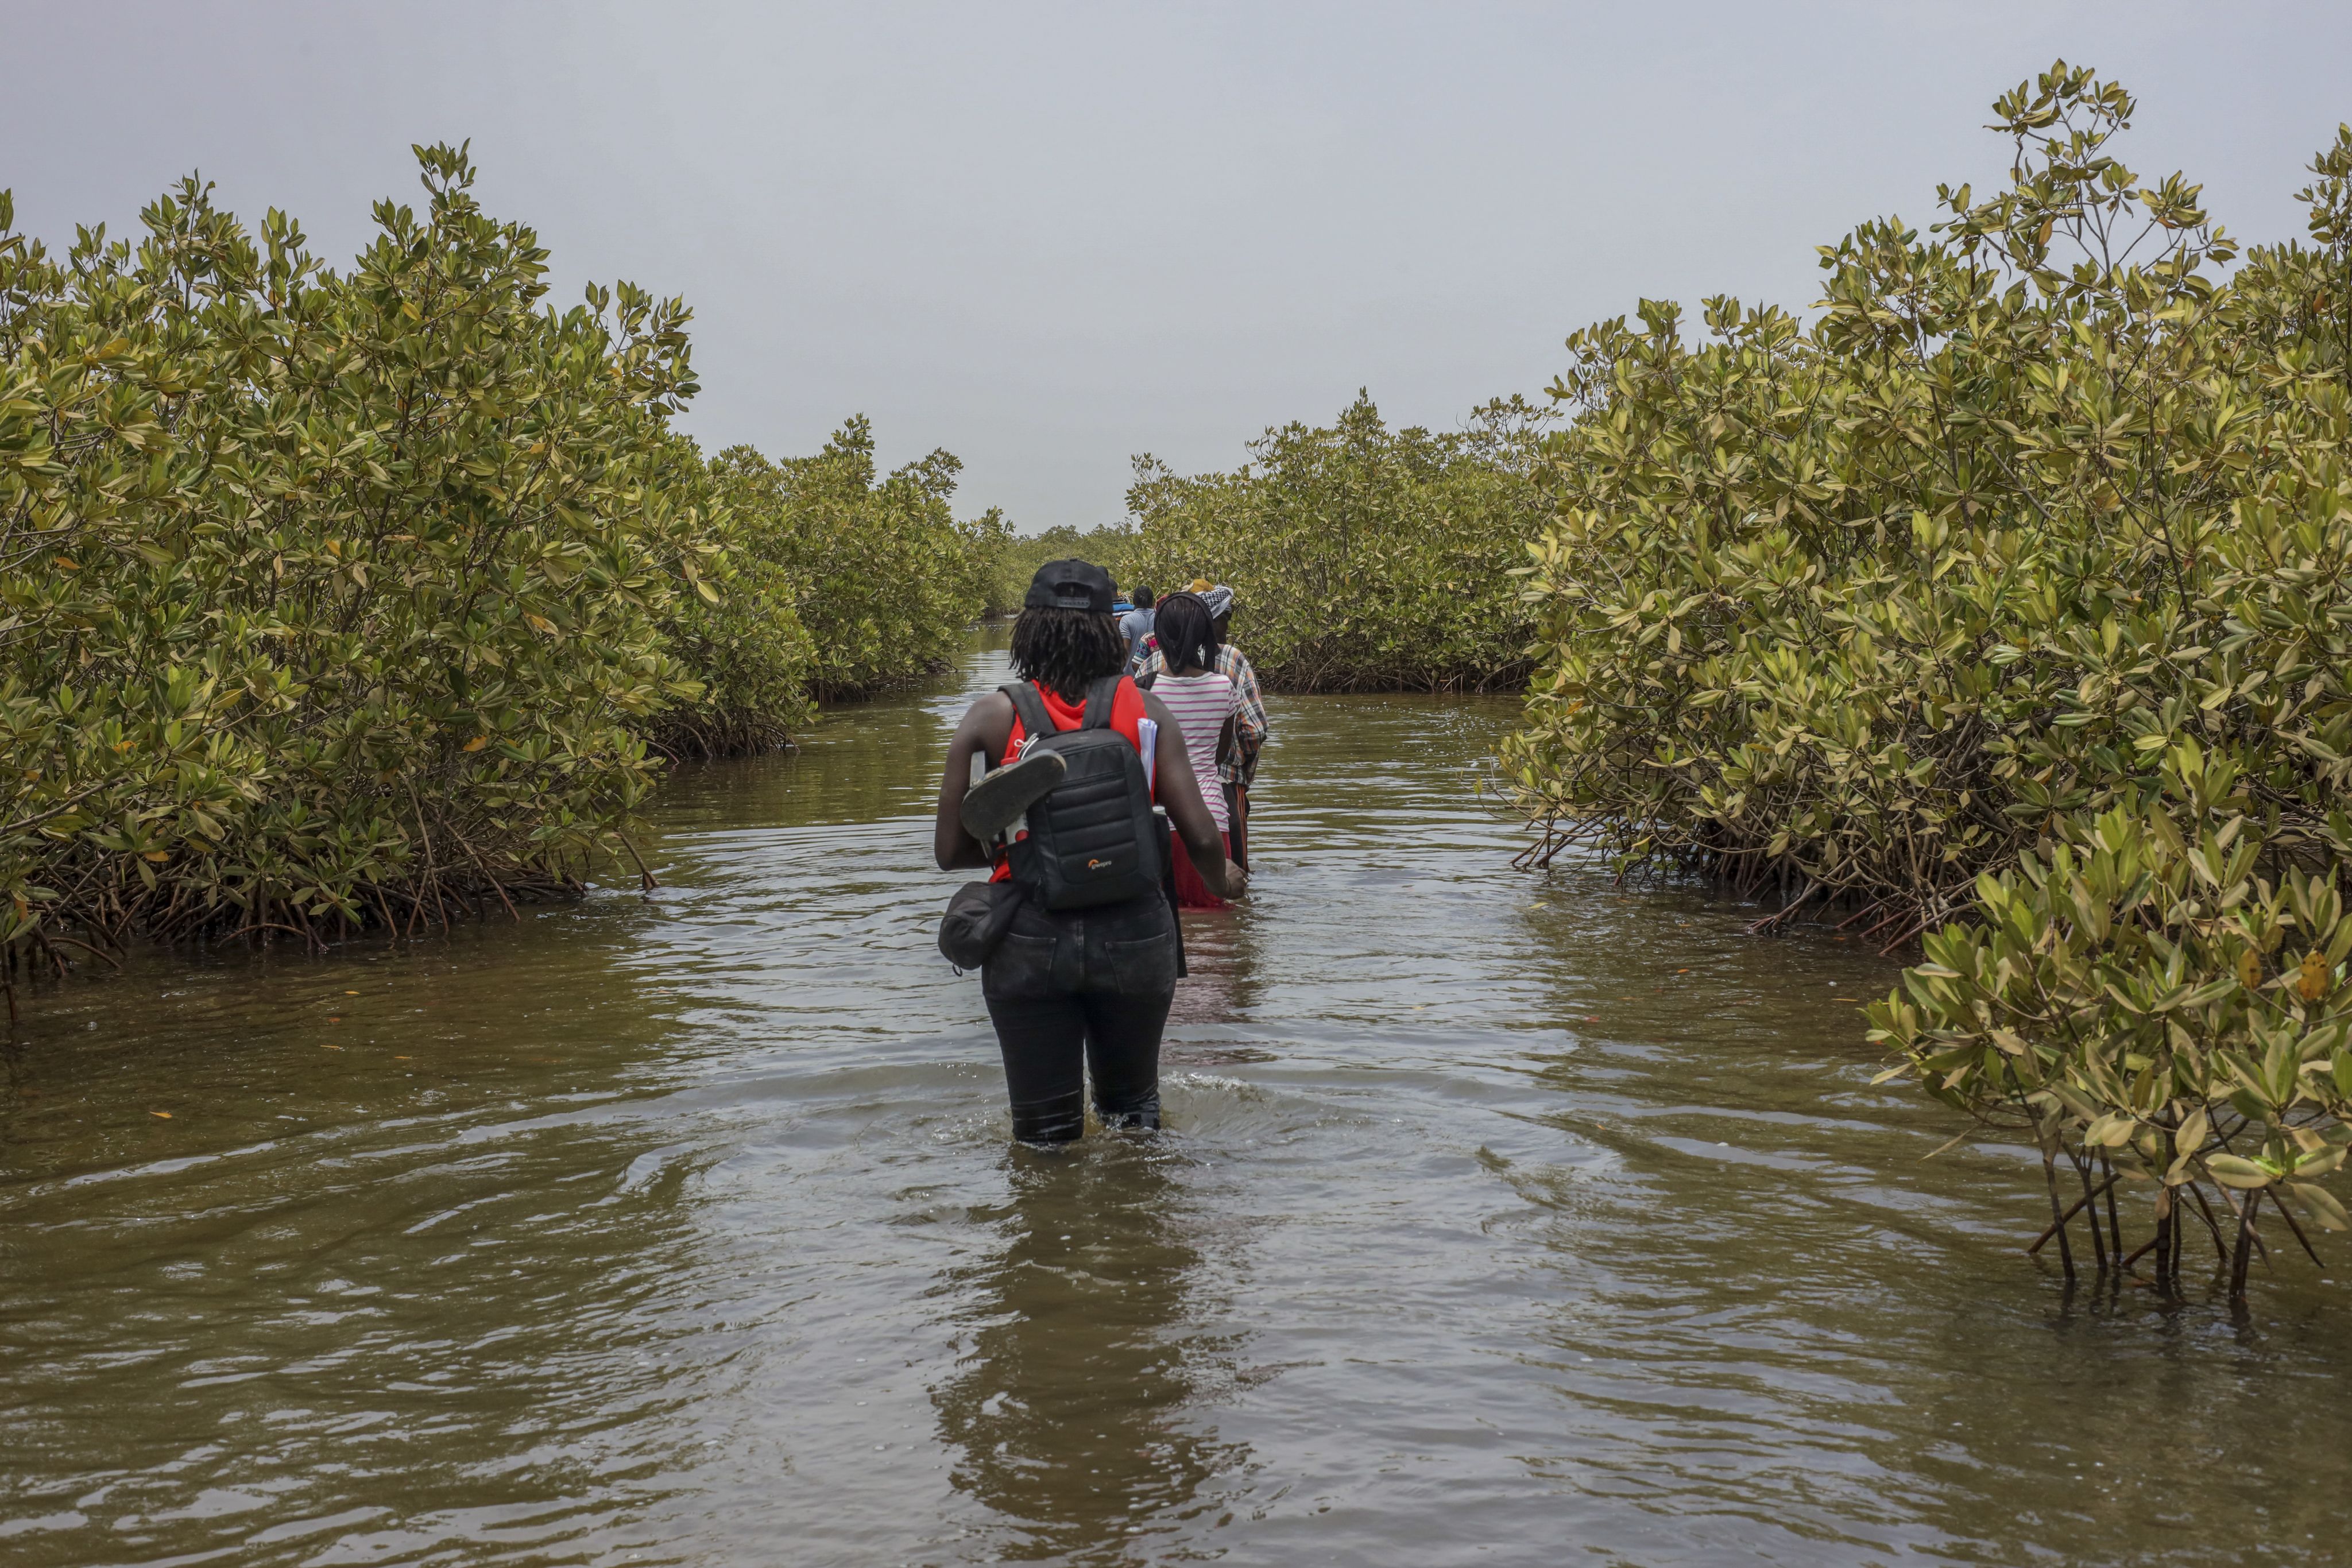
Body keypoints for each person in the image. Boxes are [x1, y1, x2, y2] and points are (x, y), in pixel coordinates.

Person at [934, 560, 1244, 1144]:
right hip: (1133, 936)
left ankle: (1052, 1228)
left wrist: (1033, 849)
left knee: (1042, 1136)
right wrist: (1225, 880)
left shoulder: (989, 717)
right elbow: (1201, 836)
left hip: (1027, 938)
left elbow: (949, 851)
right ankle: (1134, 1222)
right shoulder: (1148, 712)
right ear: (1113, 630)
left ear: (1026, 631)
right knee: (1134, 1121)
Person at [1138, 583, 1267, 871]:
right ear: (1209, 624)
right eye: (1227, 617)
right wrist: (1240, 773)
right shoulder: (1232, 660)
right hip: (1220, 794)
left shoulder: (1150, 667)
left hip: (1159, 805)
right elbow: (1254, 731)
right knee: (1233, 887)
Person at [1145, 593, 1237, 909]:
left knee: (1168, 925)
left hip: (1158, 821)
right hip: (1210, 820)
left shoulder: (1142, 690)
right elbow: (1219, 756)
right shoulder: (1224, 687)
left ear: (1159, 635)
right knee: (1215, 928)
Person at [1118, 585, 1156, 664]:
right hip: (1156, 672)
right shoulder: (1160, 617)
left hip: (1132, 673)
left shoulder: (1126, 620)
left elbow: (1125, 652)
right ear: (1152, 601)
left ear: (1134, 601)